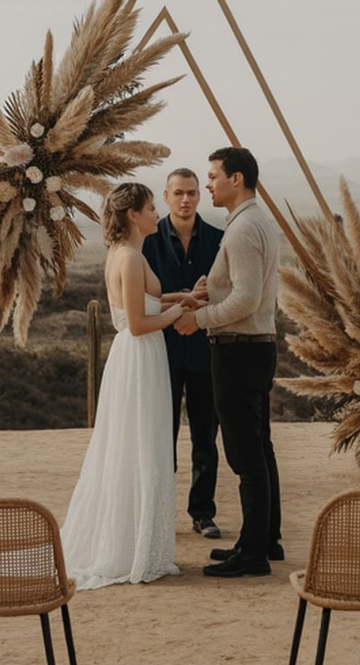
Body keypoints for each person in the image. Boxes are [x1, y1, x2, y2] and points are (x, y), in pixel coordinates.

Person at [61, 183, 183, 589]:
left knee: (139, 444)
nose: (157, 212)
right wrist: (178, 312)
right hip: (139, 356)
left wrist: (185, 298)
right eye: (151, 206)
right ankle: (131, 550)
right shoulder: (129, 258)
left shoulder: (127, 254)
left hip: (142, 357)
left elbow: (150, 304)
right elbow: (137, 322)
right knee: (140, 444)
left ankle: (137, 543)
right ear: (133, 215)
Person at [175, 147, 282, 578]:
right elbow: (239, 287)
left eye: (214, 176)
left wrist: (197, 319)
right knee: (261, 448)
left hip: (239, 350)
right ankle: (263, 540)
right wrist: (210, 287)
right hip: (256, 348)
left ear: (236, 179)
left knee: (244, 455)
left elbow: (247, 298)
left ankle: (253, 554)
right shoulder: (255, 221)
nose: (209, 185)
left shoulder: (241, 230)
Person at [143, 167, 224, 539]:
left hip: (206, 350)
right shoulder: (147, 242)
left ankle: (202, 513)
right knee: (163, 436)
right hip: (162, 351)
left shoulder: (221, 240)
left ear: (200, 195)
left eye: (192, 192)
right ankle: (159, 514)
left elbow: (225, 293)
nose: (186, 199)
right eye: (178, 193)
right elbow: (141, 300)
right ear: (166, 196)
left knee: (206, 437)